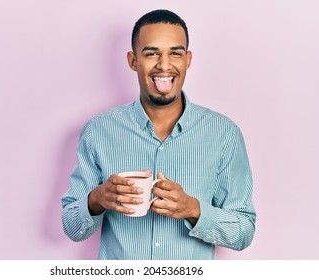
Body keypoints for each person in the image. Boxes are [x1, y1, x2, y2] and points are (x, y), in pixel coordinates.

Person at [62, 9, 256, 260]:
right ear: (133, 61)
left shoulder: (224, 134)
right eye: (151, 53)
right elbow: (71, 228)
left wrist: (194, 209)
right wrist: (97, 198)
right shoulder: (99, 131)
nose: (164, 65)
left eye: (175, 53)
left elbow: (244, 231)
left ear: (188, 59)